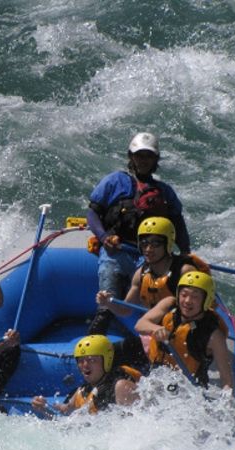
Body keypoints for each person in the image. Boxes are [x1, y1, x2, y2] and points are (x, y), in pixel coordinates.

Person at [86, 132, 191, 335]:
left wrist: (185, 252)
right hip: (116, 250)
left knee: (165, 302)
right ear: (131, 157)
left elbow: (177, 222)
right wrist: (104, 237)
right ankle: (95, 339)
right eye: (139, 155)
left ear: (155, 160)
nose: (143, 161)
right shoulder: (114, 181)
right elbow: (93, 212)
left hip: (149, 256)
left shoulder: (164, 191)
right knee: (107, 303)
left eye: (149, 156)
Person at [136, 271, 233, 389]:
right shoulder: (169, 304)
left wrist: (226, 402)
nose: (187, 301)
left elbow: (227, 380)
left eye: (195, 297)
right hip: (156, 375)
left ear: (206, 300)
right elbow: (140, 325)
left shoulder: (214, 336)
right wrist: (156, 328)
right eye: (184, 294)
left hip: (188, 391)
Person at [95, 216, 202, 315]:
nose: (148, 249)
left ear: (168, 244)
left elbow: (200, 312)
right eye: (144, 243)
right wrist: (108, 303)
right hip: (158, 327)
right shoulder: (141, 274)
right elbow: (125, 310)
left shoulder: (185, 272)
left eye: (156, 244)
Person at [31, 335, 141, 416]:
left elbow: (136, 425)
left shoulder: (122, 386)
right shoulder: (82, 391)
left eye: (92, 360)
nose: (85, 365)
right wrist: (45, 407)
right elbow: (65, 411)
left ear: (107, 361)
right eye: (81, 360)